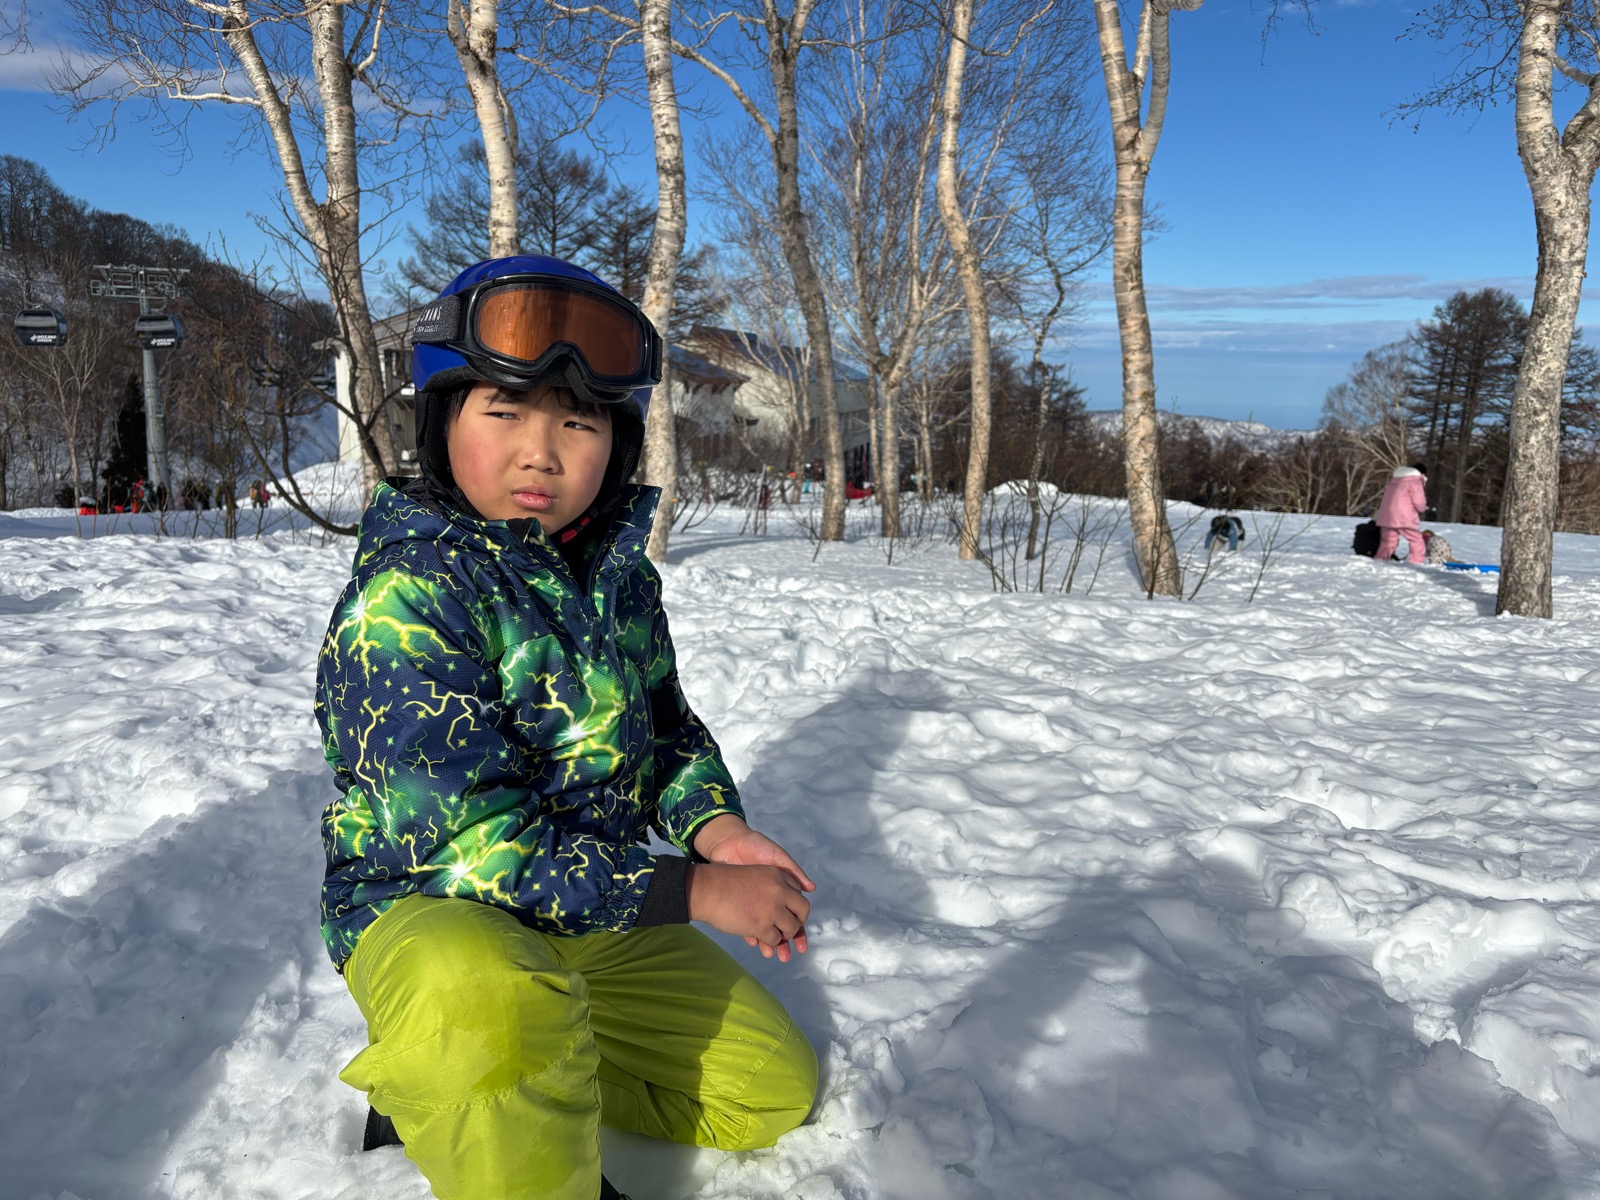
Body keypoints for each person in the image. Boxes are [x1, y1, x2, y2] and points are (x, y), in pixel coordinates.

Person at [314, 256, 818, 1200]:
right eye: (503, 414)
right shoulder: (408, 598)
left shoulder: (619, 582)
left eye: (578, 423)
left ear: (616, 445)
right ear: (442, 422)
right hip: (438, 915)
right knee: (487, 1011)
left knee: (768, 1094)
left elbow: (667, 734)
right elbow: (464, 849)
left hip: (593, 910)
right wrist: (695, 894)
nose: (541, 453)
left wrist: (717, 828)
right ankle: (477, 1094)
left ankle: (492, 1077)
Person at [1375, 463, 1429, 564]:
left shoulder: (1395, 480)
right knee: (1416, 541)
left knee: (1388, 541)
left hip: (1387, 516)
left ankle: (1380, 560)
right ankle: (1416, 563)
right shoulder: (1415, 481)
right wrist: (1422, 509)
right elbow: (1419, 502)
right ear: (1422, 474)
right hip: (1404, 517)